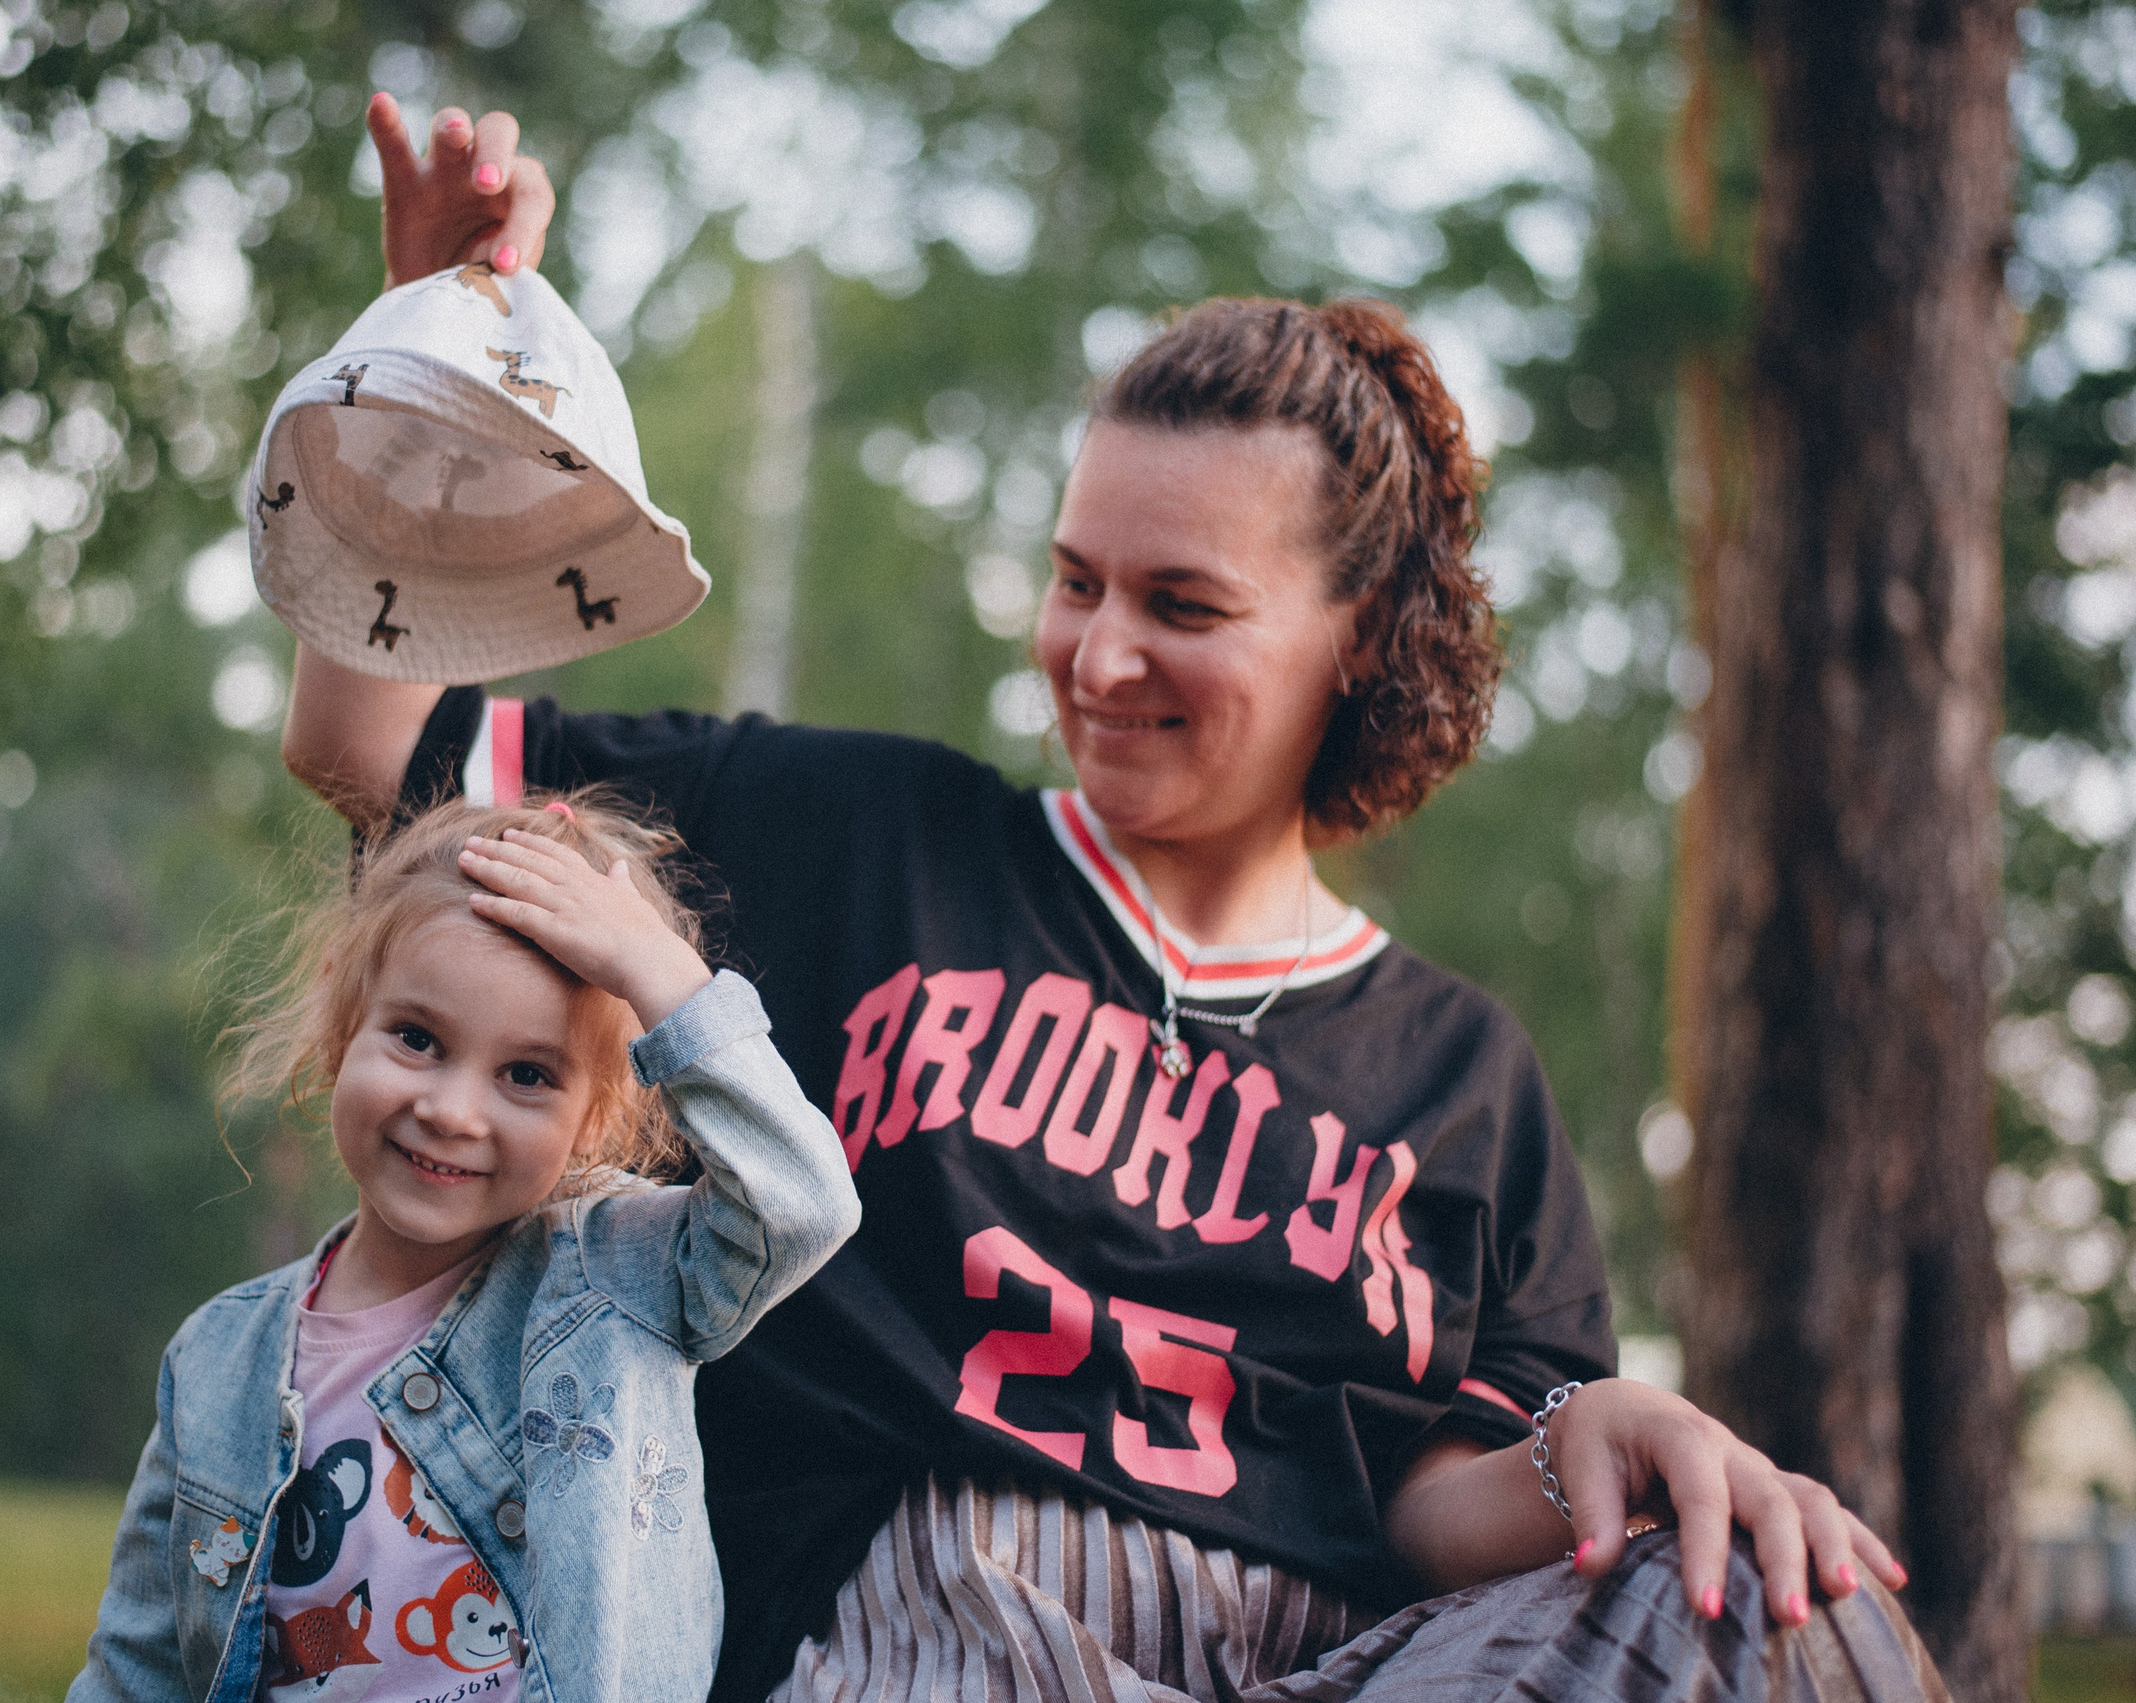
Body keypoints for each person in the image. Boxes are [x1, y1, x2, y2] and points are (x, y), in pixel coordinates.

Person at [273, 98, 1945, 1702]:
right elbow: (365, 740)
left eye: (1186, 603)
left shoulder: (1466, 1077)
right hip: (921, 1622)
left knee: (1796, 1600)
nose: (1102, 651)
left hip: (1322, 1661)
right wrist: (423, 341)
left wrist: (1615, 1440)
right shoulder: (845, 833)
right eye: (1077, 580)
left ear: (1357, 635)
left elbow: (1439, 1508)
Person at [70, 793, 861, 1703]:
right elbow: (139, 1670)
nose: (452, 1110)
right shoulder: (215, 1361)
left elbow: (802, 1204)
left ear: (594, 1114)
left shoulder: (621, 1276)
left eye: (527, 1075)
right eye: (417, 1038)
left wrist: (659, 972)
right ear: (341, 1018)